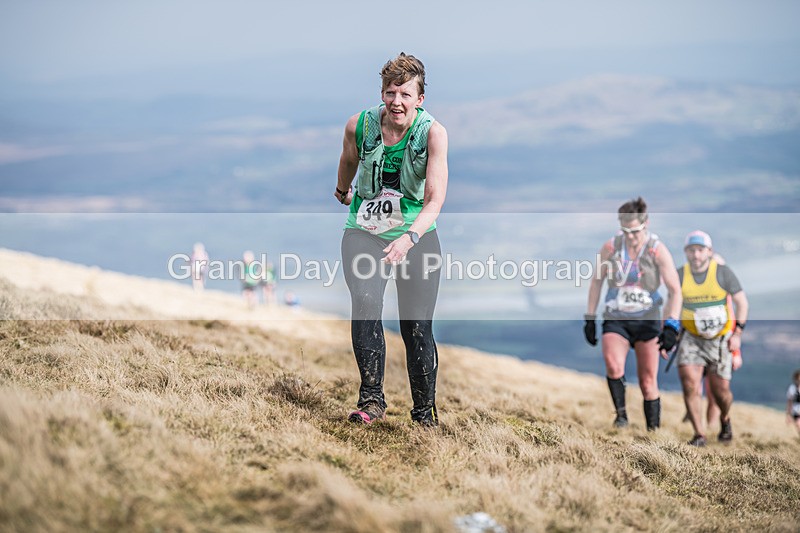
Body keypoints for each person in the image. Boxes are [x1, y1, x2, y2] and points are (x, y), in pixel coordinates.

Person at [335, 52, 448, 426]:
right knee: (366, 305)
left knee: (415, 327)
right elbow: (348, 158)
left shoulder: (433, 133)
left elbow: (434, 199)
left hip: (416, 239)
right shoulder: (360, 124)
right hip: (364, 234)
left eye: (405, 94)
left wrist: (408, 239)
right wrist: (343, 189)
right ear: (382, 92)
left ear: (420, 99)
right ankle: (371, 401)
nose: (396, 102)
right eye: (390, 93)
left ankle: (423, 415)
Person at [584, 197, 682, 431]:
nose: (630, 236)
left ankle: (653, 431)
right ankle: (621, 418)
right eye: (625, 230)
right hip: (616, 317)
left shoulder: (657, 250)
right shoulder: (611, 247)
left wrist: (671, 325)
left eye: (635, 231)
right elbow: (596, 281)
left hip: (647, 320)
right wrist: (589, 317)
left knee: (648, 382)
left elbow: (675, 290)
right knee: (613, 365)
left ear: (645, 223)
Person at [676, 230, 749, 447]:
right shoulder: (680, 275)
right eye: (692, 250)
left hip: (721, 339)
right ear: (686, 252)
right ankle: (700, 434)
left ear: (709, 252)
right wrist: (670, 331)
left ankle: (724, 418)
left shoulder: (723, 274)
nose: (696, 255)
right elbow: (673, 303)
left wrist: (737, 336)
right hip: (691, 337)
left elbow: (741, 304)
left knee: (720, 392)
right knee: (690, 383)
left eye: (700, 250)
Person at [786, 369, 800, 437]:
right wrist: (788, 415)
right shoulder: (792, 388)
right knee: (798, 425)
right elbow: (789, 401)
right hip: (796, 411)